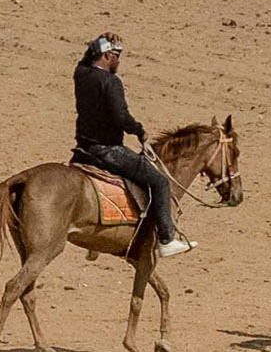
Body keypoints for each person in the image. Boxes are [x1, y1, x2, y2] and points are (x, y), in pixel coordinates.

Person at [71, 34, 192, 256]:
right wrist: (139, 129)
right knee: (160, 182)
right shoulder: (111, 82)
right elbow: (121, 118)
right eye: (116, 56)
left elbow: (83, 61)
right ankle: (166, 239)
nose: (118, 61)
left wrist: (98, 42)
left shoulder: (81, 74)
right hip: (107, 151)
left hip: (83, 150)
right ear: (107, 55)